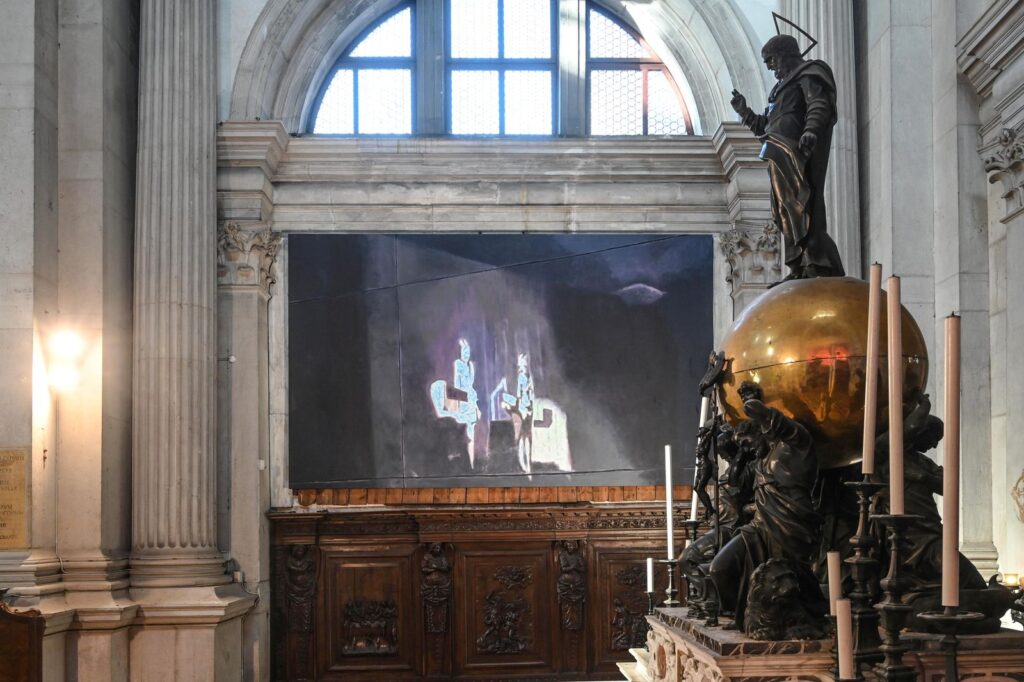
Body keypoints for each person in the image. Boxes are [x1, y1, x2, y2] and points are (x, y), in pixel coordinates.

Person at [730, 34, 845, 279]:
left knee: (804, 204)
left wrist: (811, 130)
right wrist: (744, 111)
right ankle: (797, 264)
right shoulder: (778, 91)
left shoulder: (808, 74)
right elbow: (765, 127)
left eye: (771, 61)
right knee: (783, 209)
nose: (771, 68)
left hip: (797, 151)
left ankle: (816, 260)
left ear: (785, 54)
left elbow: (818, 104)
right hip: (776, 152)